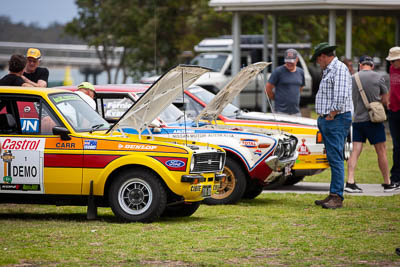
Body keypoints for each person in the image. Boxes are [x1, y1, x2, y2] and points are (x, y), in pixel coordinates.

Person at [345, 55, 398, 193]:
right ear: (372, 66)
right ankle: (387, 183)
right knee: (381, 151)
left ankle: (350, 182)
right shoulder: (378, 77)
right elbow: (386, 99)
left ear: (360, 65)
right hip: (374, 121)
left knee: (355, 151)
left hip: (357, 120)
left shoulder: (353, 78)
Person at [311, 42, 353, 209]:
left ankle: (337, 196)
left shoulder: (339, 69)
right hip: (330, 119)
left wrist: (331, 115)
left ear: (324, 56)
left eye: (318, 59)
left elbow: (341, 96)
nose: (317, 62)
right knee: (333, 157)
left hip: (336, 119)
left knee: (335, 158)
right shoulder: (329, 69)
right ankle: (333, 194)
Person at [265, 48, 305, 116]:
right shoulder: (278, 71)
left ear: (297, 60)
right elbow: (268, 88)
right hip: (280, 112)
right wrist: (276, 98)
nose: (289, 64)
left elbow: (301, 88)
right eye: (287, 61)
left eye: (291, 62)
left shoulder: (300, 72)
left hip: (296, 112)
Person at [386, 47, 400, 187]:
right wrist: (389, 100)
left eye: (394, 61)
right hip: (394, 111)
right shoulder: (392, 69)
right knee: (396, 146)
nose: (391, 64)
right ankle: (395, 177)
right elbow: (392, 86)